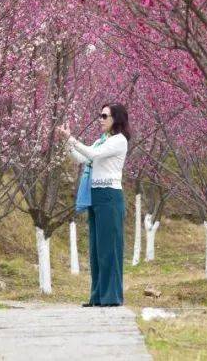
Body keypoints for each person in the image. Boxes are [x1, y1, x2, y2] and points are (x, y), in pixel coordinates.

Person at [58, 103, 130, 307]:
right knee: (97, 250)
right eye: (100, 115)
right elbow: (81, 158)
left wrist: (72, 139)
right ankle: (98, 296)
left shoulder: (118, 141)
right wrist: (66, 142)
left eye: (104, 116)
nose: (100, 119)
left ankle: (111, 297)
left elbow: (93, 155)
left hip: (110, 196)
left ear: (116, 119)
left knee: (110, 249)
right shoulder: (101, 141)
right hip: (96, 196)